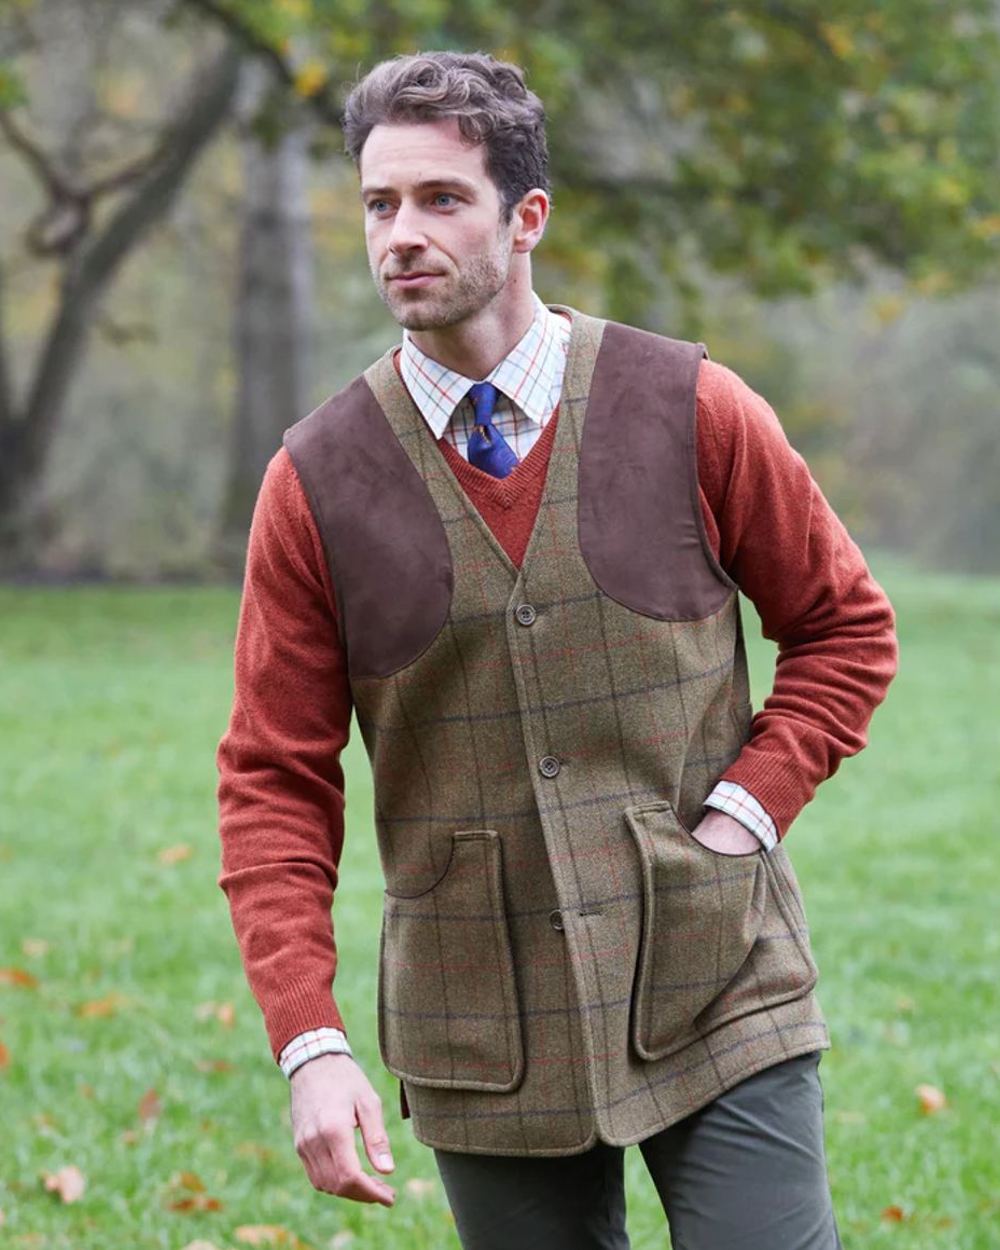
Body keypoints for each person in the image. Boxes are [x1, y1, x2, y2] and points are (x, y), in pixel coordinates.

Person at [216, 50, 898, 1250]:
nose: (400, 236)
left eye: (440, 199)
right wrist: (310, 1044)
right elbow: (274, 778)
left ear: (527, 217)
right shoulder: (313, 481)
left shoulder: (689, 406)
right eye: (379, 204)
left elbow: (846, 627)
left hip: (717, 972)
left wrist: (748, 806)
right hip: (479, 1020)